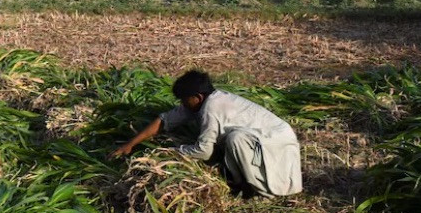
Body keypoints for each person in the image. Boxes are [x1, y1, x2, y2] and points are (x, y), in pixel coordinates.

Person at [112, 69, 302, 198]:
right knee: (233, 139)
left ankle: (252, 189)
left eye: (185, 100)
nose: (183, 104)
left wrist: (172, 151)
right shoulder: (202, 102)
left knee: (235, 140)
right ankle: (239, 179)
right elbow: (164, 120)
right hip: (266, 138)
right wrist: (130, 144)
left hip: (276, 141)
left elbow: (204, 151)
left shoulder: (212, 107)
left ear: (198, 97)